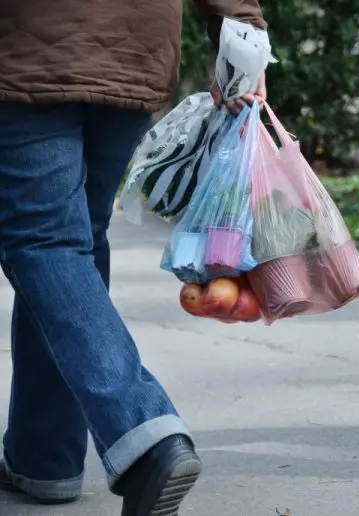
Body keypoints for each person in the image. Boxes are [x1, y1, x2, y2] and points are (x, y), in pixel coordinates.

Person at [0, 0, 267, 513]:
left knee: (46, 242)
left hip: (27, 43)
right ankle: (43, 456)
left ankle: (143, 434)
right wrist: (245, 36)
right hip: (133, 43)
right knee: (74, 240)